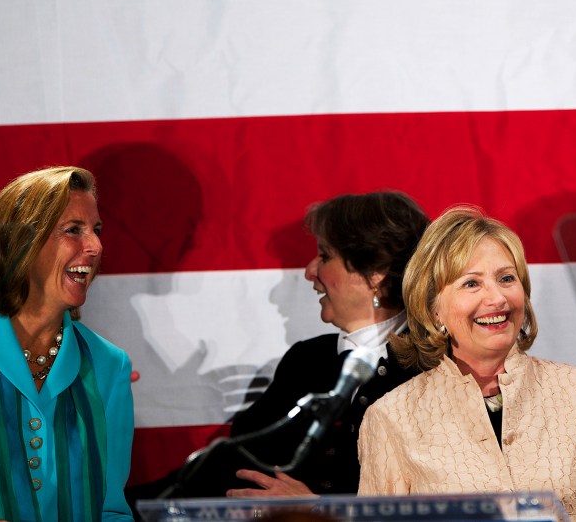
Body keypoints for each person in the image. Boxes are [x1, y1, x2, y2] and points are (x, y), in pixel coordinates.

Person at [357, 206, 576, 522]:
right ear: (433, 311)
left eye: (506, 278)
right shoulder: (391, 417)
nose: (497, 298)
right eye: (472, 284)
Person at [138, 191, 429, 503]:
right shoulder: (307, 360)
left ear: (376, 275)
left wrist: (321, 511)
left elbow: (446, 503)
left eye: (325, 256)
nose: (310, 271)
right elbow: (236, 465)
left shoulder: (435, 371)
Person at [0, 166, 134, 521]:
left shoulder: (109, 364)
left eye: (97, 230)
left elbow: (112, 510)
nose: (96, 246)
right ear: (22, 241)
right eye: (74, 230)